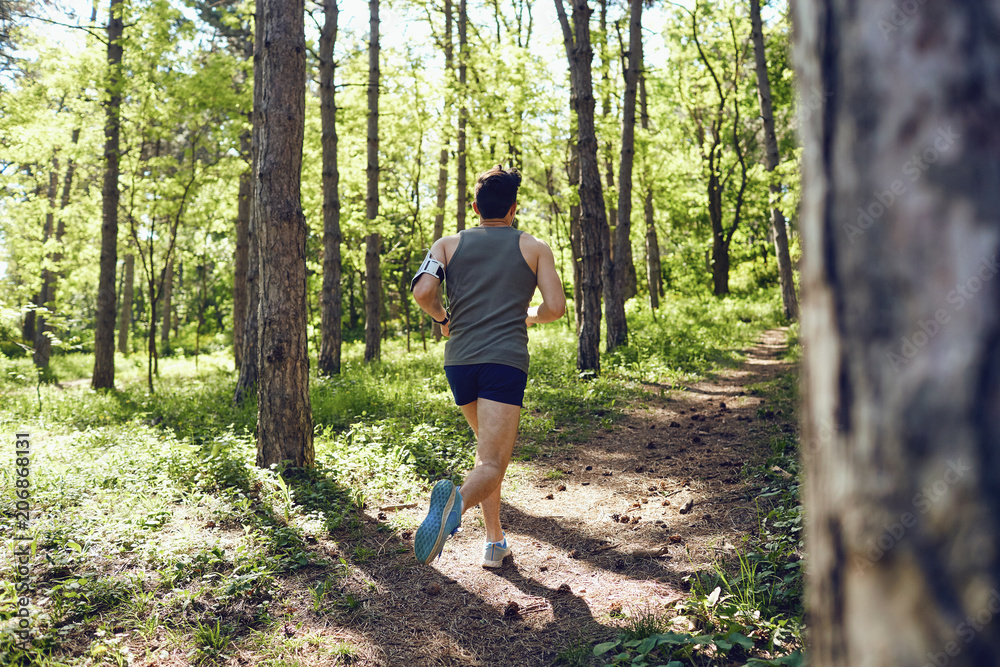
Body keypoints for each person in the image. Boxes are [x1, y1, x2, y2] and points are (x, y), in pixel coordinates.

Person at [410, 164, 566, 568]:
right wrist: (530, 315)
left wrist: (443, 318)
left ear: (476, 207)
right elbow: (556, 308)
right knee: (494, 463)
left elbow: (424, 291)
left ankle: (494, 543)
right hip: (504, 361)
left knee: (486, 457)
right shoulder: (533, 247)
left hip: (460, 361)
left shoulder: (447, 244)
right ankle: (452, 512)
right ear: (513, 209)